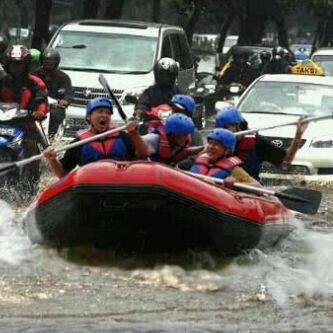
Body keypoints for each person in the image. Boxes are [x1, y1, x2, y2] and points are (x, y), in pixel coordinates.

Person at [43, 97, 148, 178]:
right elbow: (62, 174)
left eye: (108, 113)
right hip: (92, 189)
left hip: (120, 182)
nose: (105, 115)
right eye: (100, 111)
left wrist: (134, 133)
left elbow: (144, 155)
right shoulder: (79, 143)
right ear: (89, 117)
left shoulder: (122, 137)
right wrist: (52, 160)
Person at [0, 45, 49, 188]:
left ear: (26, 65)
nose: (17, 67)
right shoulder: (1, 80)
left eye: (20, 64)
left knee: (33, 148)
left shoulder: (35, 82)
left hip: (27, 123)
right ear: (8, 64)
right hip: (2, 122)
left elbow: (42, 101)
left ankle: (32, 185)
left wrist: (39, 112)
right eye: (14, 64)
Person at [214, 105, 308, 180]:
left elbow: (286, 160)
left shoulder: (256, 143)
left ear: (238, 126)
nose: (223, 133)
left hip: (247, 189)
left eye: (226, 128)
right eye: (220, 129)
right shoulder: (214, 144)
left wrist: (298, 135)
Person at [190, 128, 258, 185]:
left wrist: (236, 183)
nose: (210, 147)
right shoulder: (198, 160)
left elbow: (258, 187)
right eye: (210, 143)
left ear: (227, 150)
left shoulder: (235, 170)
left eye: (216, 144)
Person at [33, 48, 73, 137]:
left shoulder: (63, 77)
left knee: (56, 114)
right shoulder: (35, 74)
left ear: (56, 62)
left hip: (55, 106)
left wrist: (65, 101)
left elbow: (69, 94)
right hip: (37, 104)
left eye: (51, 61)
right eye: (46, 61)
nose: (48, 64)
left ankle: (52, 136)